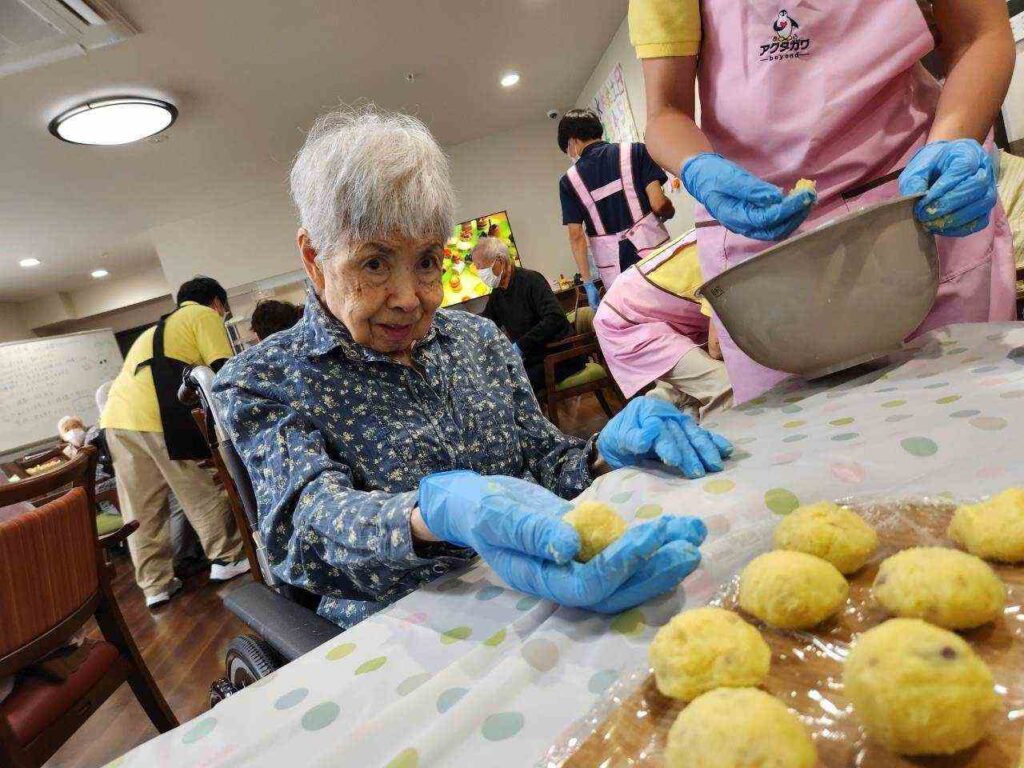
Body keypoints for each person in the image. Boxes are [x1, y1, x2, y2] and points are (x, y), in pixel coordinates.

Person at [214, 106, 733, 629]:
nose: (409, 299)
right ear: (312, 257)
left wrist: (603, 453)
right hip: (407, 631)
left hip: (550, 592)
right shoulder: (264, 381)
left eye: (426, 263)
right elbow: (306, 532)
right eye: (373, 263)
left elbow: (544, 460)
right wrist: (428, 516)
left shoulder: (479, 341)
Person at [629, 0, 1017, 403]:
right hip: (766, 256)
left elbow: (979, 35)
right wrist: (696, 165)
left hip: (918, 210)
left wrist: (954, 140)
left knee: (966, 418)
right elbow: (666, 111)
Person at [101, 276, 248, 607]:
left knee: (140, 507)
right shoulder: (203, 315)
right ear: (217, 302)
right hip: (158, 417)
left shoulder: (153, 331)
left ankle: (155, 586)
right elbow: (224, 373)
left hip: (115, 419)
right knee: (197, 487)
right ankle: (227, 558)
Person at [595, 232, 733, 420]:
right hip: (627, 322)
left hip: (644, 310)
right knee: (725, 386)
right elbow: (716, 347)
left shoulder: (722, 232)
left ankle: (651, 422)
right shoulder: (725, 253)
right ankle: (645, 426)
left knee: (688, 390)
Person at [558, 108, 676, 309]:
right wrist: (668, 212)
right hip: (654, 255)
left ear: (573, 141)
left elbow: (576, 235)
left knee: (637, 324)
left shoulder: (568, 181)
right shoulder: (636, 151)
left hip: (615, 269)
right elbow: (659, 203)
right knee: (675, 308)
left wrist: (587, 283)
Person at [474, 237, 585, 395]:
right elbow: (487, 323)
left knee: (512, 389)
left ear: (499, 261)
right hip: (533, 358)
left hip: (559, 356)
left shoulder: (531, 280)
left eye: (480, 267)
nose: (480, 273)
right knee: (496, 382)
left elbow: (555, 318)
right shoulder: (498, 293)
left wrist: (520, 346)